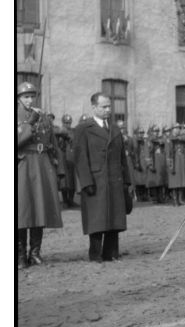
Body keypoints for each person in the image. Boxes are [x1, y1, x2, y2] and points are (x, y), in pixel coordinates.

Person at [73, 92, 131, 262]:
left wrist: (127, 181)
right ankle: (96, 254)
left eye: (109, 106)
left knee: (114, 217)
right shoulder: (84, 128)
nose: (108, 110)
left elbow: (122, 158)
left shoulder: (114, 129)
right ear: (94, 107)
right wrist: (86, 182)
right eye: (103, 107)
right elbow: (80, 158)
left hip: (115, 180)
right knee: (97, 218)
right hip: (95, 180)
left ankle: (111, 253)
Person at [17, 82, 64, 268]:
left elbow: (52, 142)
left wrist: (59, 169)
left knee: (39, 208)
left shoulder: (43, 115)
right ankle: (20, 255)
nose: (29, 100)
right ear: (18, 98)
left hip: (42, 163)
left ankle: (35, 251)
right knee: (22, 210)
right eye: (25, 96)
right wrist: (29, 122)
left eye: (31, 96)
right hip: (23, 163)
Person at [60, 114, 77, 207]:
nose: (68, 124)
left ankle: (71, 200)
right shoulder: (60, 131)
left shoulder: (73, 132)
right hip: (63, 158)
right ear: (63, 123)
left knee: (72, 180)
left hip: (72, 158)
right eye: (66, 123)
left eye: (69, 123)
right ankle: (65, 200)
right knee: (64, 181)